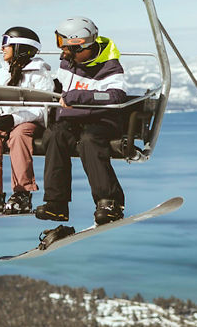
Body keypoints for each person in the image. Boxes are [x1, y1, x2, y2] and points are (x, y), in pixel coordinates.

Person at [34, 16, 128, 226]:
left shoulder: (109, 66)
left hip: (102, 120)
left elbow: (115, 96)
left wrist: (79, 97)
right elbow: (59, 87)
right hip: (74, 120)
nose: (62, 52)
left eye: (65, 47)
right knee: (55, 134)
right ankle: (56, 204)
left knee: (89, 140)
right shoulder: (68, 63)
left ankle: (109, 202)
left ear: (81, 47)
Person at [0, 26, 54, 214]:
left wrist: (14, 119)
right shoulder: (3, 73)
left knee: (19, 135)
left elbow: (42, 110)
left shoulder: (40, 74)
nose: (2, 48)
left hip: (30, 122)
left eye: (6, 44)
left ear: (20, 48)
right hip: (7, 121)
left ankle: (22, 191)